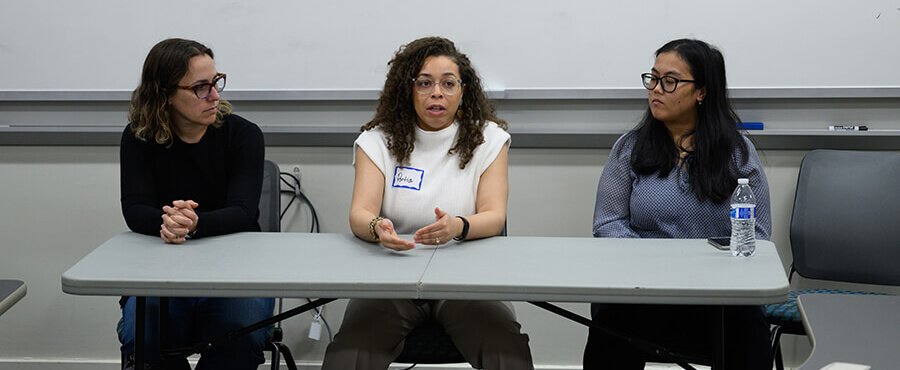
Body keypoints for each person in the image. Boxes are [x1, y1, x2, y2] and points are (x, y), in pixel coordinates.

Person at [321, 36, 533, 370]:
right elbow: (360, 213)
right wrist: (378, 228)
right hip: (392, 274)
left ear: (463, 90)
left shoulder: (488, 139)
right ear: (408, 89)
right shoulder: (377, 140)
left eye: (448, 84)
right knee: (350, 352)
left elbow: (494, 216)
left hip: (466, 276)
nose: (437, 93)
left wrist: (458, 227)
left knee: (506, 348)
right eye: (425, 83)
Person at [584, 39, 773, 369]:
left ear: (701, 91)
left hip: (717, 297)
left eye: (669, 81)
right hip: (645, 292)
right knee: (610, 313)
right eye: (652, 78)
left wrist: (708, 271)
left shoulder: (737, 153)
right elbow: (608, 224)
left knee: (748, 323)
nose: (655, 89)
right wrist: (656, 266)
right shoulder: (629, 148)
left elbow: (756, 234)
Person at [117, 38, 274, 370]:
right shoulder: (138, 137)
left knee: (240, 337)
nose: (215, 95)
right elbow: (135, 209)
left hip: (237, 271)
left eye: (216, 82)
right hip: (161, 271)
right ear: (165, 94)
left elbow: (244, 213)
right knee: (144, 336)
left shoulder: (245, 135)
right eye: (201, 87)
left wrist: (193, 223)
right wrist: (168, 221)